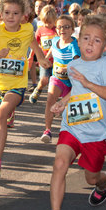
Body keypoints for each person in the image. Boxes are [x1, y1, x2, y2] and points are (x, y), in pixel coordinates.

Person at [41, 15, 106, 210]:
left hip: (95, 134)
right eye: (86, 38)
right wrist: (62, 103)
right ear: (79, 40)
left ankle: (104, 182)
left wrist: (87, 82)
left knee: (91, 177)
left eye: (96, 40)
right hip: (72, 127)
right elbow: (77, 92)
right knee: (59, 164)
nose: (90, 44)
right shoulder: (73, 64)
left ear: (105, 46)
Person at [0, 0, 50, 177]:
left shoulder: (26, 30)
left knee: (1, 117)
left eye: (15, 13)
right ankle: (7, 119)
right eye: (7, 12)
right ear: (1, 13)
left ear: (23, 15)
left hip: (16, 85)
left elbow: (34, 45)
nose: (11, 17)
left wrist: (41, 58)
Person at [38, 14, 80, 143]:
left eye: (66, 27)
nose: (63, 30)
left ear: (72, 30)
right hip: (58, 78)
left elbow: (78, 62)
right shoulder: (55, 41)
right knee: (50, 100)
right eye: (60, 27)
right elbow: (51, 51)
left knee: (69, 109)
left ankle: (70, 133)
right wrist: (45, 60)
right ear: (56, 29)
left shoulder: (74, 44)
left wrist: (67, 68)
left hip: (72, 82)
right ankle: (47, 131)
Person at [30, 5, 57, 103]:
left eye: (49, 22)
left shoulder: (57, 30)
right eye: (45, 22)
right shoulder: (40, 30)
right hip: (44, 59)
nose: (47, 25)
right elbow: (35, 44)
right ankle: (38, 89)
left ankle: (53, 99)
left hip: (56, 61)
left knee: (55, 82)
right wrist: (31, 56)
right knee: (44, 79)